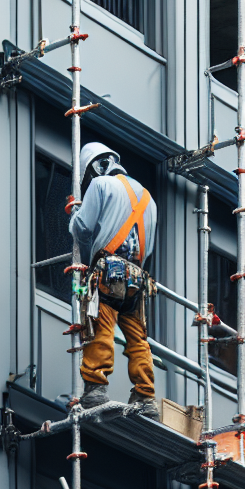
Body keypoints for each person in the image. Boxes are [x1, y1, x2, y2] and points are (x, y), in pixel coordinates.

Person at [69, 142, 160, 417]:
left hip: (108, 272)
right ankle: (146, 397)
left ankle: (95, 388)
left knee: (99, 327)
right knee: (138, 339)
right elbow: (150, 248)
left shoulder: (101, 186)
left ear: (95, 167)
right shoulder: (149, 200)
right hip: (138, 278)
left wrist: (75, 213)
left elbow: (82, 230)